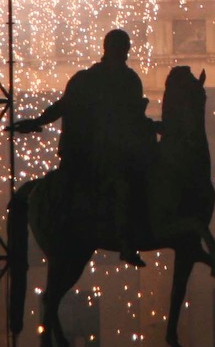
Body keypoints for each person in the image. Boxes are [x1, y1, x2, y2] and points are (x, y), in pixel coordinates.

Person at [12, 28, 158, 267]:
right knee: (123, 185)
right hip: (92, 154)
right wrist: (37, 121)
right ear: (110, 49)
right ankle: (125, 241)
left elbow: (133, 117)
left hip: (118, 151)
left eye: (125, 49)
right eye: (120, 48)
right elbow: (64, 106)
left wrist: (152, 127)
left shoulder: (129, 80)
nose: (123, 53)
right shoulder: (89, 79)